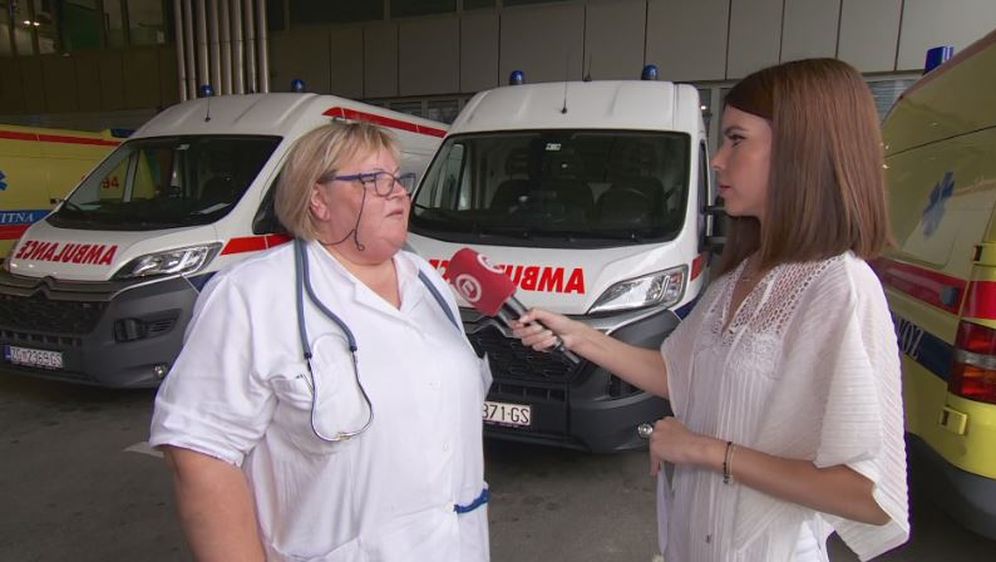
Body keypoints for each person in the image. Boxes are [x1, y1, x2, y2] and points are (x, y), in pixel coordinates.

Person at [514, 58, 909, 561]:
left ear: (801, 152)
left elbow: (868, 495)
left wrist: (704, 450)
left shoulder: (840, 288)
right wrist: (575, 333)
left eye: (736, 139)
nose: (718, 160)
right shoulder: (743, 275)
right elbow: (679, 373)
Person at [149, 122, 492, 561]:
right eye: (375, 180)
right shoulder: (252, 293)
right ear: (318, 199)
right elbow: (200, 454)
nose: (399, 194)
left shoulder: (426, 280)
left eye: (400, 180)